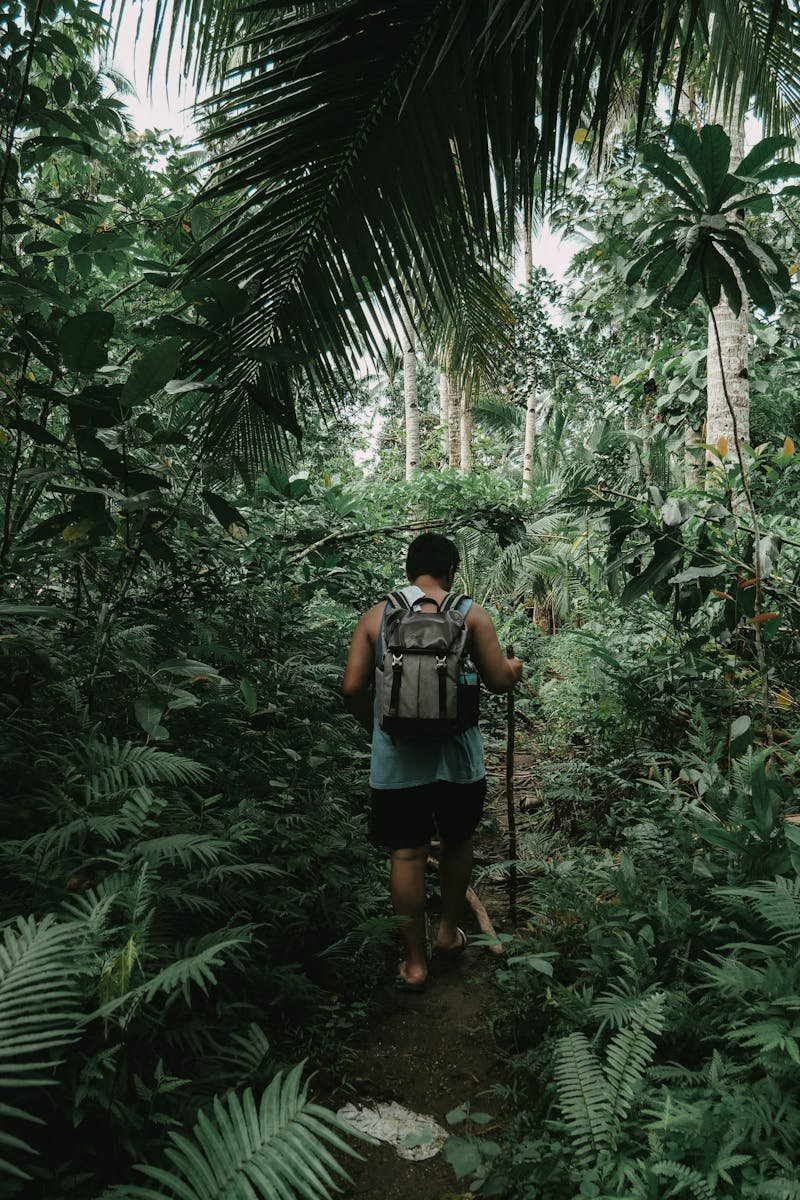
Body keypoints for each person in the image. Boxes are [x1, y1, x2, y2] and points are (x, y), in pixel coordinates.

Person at [342, 532, 523, 993]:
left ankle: (415, 963)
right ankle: (447, 933)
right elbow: (499, 680)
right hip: (458, 761)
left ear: (409, 569)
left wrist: (375, 727)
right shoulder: (470, 614)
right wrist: (515, 668)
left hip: (396, 761)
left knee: (406, 853)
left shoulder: (377, 616)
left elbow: (352, 688)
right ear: (451, 570)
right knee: (457, 842)